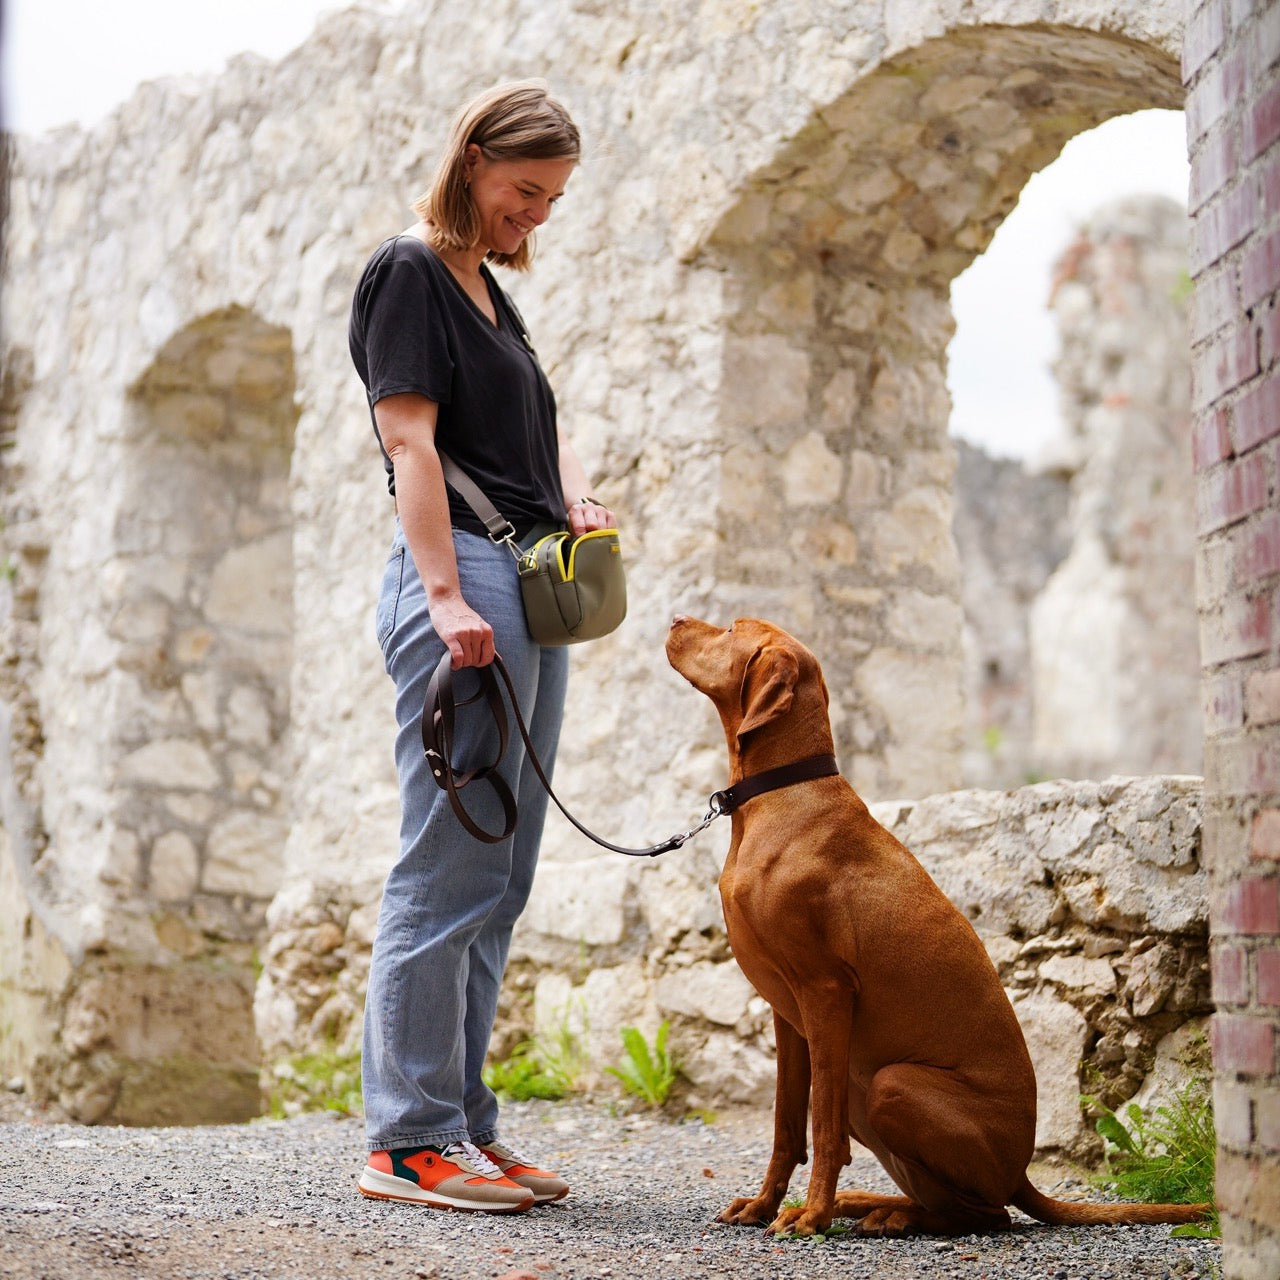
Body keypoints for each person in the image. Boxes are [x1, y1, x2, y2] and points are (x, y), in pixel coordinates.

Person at [347, 80, 615, 1214]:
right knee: (446, 858)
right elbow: (409, 442)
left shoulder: (490, 293)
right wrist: (446, 592)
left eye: (550, 199)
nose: (536, 216)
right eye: (523, 191)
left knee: (499, 873)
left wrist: (566, 496)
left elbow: (493, 447)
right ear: (471, 165)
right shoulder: (408, 271)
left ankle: (463, 1122)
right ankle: (406, 1140)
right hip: (460, 581)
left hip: (521, 575)